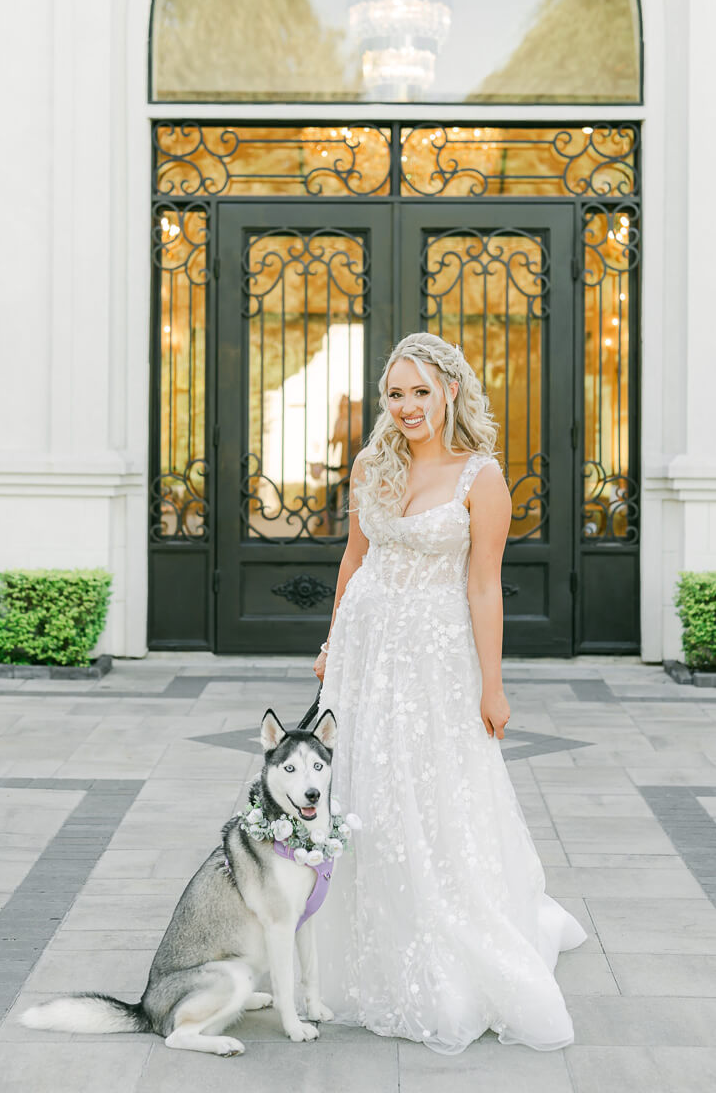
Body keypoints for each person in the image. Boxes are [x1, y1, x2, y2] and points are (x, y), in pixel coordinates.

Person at [312, 332, 585, 1055]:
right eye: (394, 394)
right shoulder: (371, 465)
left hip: (434, 658)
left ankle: (451, 930)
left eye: (420, 392)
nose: (406, 407)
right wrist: (332, 640)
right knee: (360, 783)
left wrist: (492, 683)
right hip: (366, 653)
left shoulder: (480, 477)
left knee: (432, 786)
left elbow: (483, 584)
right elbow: (354, 557)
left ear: (450, 393)